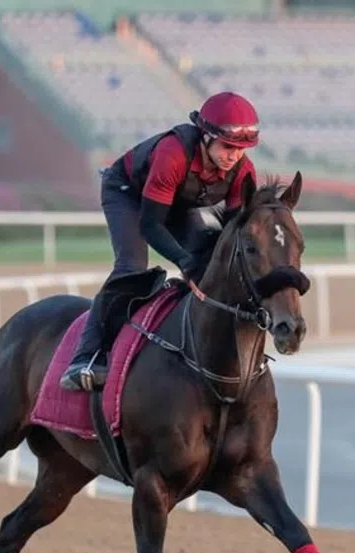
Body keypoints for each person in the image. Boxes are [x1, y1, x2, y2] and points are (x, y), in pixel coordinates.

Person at [59, 91, 261, 392]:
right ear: (205, 136)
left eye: (241, 149)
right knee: (132, 267)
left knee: (209, 258)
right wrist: (183, 261)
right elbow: (151, 225)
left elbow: (232, 236)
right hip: (128, 194)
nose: (233, 156)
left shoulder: (243, 172)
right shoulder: (173, 154)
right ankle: (86, 356)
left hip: (177, 201)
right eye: (228, 146)